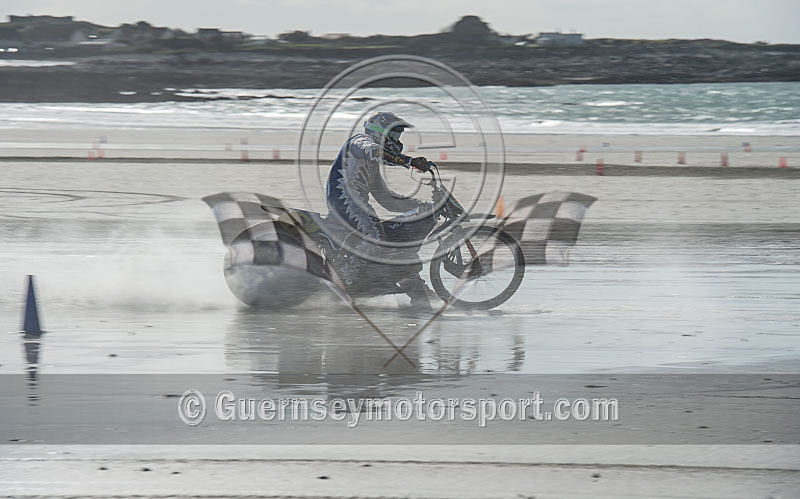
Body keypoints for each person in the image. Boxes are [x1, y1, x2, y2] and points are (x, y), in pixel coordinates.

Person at [326, 111, 435, 309]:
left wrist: (419, 205)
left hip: (357, 202)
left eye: (399, 134)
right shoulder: (359, 142)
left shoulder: (371, 165)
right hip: (344, 200)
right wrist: (409, 161)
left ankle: (417, 291)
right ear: (380, 131)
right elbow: (375, 151)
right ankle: (349, 277)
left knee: (399, 245)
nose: (397, 139)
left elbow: (385, 198)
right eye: (394, 133)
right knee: (375, 235)